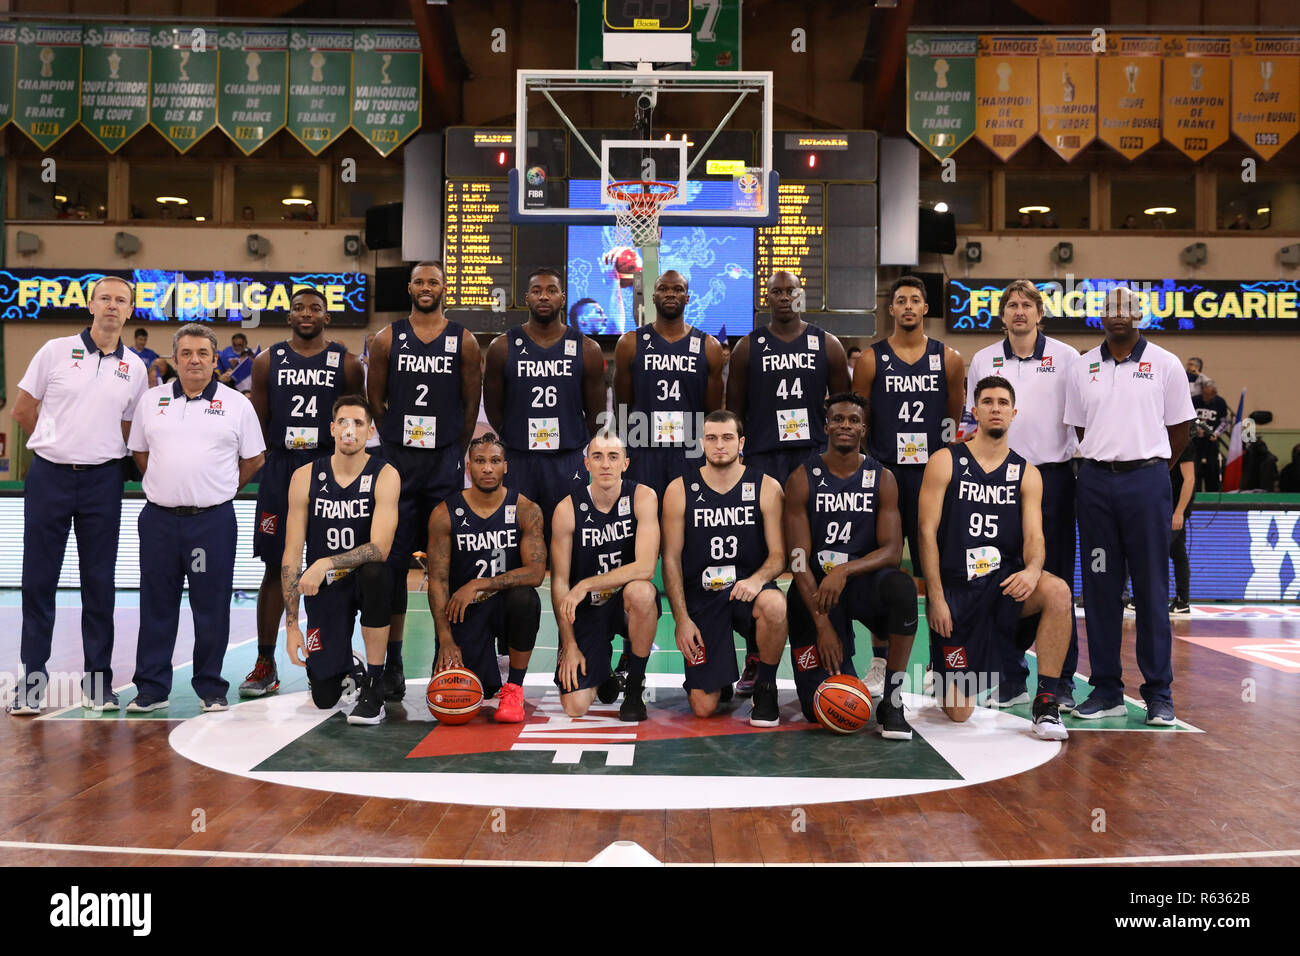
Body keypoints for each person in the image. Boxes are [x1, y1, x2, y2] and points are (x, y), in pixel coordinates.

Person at [9, 276, 149, 714]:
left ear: (129, 311)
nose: (111, 306)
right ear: (91, 305)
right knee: (38, 583)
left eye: (120, 300)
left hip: (103, 482)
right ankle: (31, 684)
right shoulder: (54, 350)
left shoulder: (137, 368)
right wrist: (58, 442)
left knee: (100, 585)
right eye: (104, 298)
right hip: (49, 477)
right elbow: (21, 410)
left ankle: (98, 685)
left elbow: (132, 429)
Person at [1064, 286, 1194, 725]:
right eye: (1111, 308)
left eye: (1128, 308)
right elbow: (1081, 428)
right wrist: (1111, 458)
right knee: (1100, 589)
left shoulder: (1166, 364)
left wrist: (1149, 464)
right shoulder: (1082, 367)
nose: (1119, 314)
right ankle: (1106, 690)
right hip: (1096, 485)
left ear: (1141, 315)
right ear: (1101, 316)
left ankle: (1159, 693)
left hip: (1147, 483)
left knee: (1151, 589)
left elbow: (1179, 430)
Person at [917, 375, 1071, 741]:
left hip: (1004, 586)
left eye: (1003, 403)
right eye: (988, 402)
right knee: (957, 714)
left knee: (1059, 591)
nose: (996, 408)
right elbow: (925, 532)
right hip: (957, 592)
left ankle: (1046, 703)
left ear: (1013, 413)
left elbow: (1035, 536)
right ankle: (948, 667)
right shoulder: (944, 461)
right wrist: (935, 599)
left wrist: (1033, 570)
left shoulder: (1027, 473)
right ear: (975, 411)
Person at [126, 324, 266, 712]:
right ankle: (152, 689)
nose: (194, 360)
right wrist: (169, 484)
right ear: (174, 359)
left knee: (211, 605)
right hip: (159, 522)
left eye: (203, 353)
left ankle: (210, 687)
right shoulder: (151, 401)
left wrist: (219, 491)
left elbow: (255, 458)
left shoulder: (237, 404)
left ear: (214, 359)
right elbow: (139, 452)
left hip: (212, 523)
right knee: (156, 604)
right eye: (186, 353)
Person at [726, 270, 849, 694]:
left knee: (809, 559)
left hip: (811, 461)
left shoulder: (825, 343)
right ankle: (756, 660)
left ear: (802, 295)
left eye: (790, 291)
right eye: (775, 292)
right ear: (768, 297)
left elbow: (843, 409)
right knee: (760, 558)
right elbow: (734, 410)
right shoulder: (749, 347)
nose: (783, 298)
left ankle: (819, 651)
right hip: (762, 459)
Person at [240, 289, 364, 698]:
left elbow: (354, 421)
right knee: (277, 567)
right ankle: (265, 661)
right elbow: (257, 423)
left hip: (330, 468)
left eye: (314, 308)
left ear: (327, 316)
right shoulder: (266, 361)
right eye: (298, 308)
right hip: (281, 467)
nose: (306, 314)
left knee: (336, 566)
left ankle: (339, 658)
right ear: (288, 315)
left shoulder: (345, 363)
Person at [964, 280, 1082, 709]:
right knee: (1001, 577)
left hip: (1052, 480)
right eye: (1011, 304)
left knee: (1055, 582)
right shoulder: (982, 359)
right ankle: (1009, 675)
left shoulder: (1068, 358)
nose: (1019, 311)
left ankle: (1062, 681)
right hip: (995, 481)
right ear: (1002, 314)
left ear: (1039, 313)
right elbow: (971, 421)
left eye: (1026, 305)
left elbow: (1081, 421)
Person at [367, 262, 482, 703]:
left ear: (444, 288)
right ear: (410, 287)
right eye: (419, 281)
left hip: (443, 465)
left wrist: (455, 451)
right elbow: (376, 397)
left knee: (447, 566)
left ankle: (446, 657)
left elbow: (471, 403)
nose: (426, 287)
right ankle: (392, 664)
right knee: (392, 567)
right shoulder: (387, 337)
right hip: (398, 462)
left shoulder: (464, 340)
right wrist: (396, 442)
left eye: (434, 281)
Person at [855, 274, 965, 698]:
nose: (907, 307)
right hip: (884, 474)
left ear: (925, 309)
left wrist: (942, 460)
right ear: (891, 309)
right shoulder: (870, 359)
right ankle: (881, 661)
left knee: (937, 567)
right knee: (882, 567)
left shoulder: (949, 358)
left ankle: (942, 662)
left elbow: (952, 420)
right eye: (900, 300)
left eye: (915, 300)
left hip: (931, 474)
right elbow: (860, 421)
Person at [783, 393, 918, 739]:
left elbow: (891, 550)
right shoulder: (802, 477)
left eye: (854, 420)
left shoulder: (882, 478)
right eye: (839, 419)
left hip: (862, 584)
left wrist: (844, 571)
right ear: (826, 425)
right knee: (823, 709)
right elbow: (798, 559)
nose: (846, 425)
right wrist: (822, 624)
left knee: (902, 588)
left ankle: (893, 698)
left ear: (864, 428)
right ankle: (836, 662)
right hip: (818, 595)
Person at [662, 410, 788, 727]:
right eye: (712, 438)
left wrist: (757, 580)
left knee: (775, 603)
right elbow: (672, 559)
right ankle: (718, 678)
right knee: (703, 708)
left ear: (741, 442)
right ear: (702, 442)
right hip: (703, 600)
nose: (720, 445)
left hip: (747, 594)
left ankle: (766, 686)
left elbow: (778, 556)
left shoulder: (767, 487)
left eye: (728, 437)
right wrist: (681, 620)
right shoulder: (679, 490)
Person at [280, 396, 399, 723]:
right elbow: (291, 555)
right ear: (331, 429)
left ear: (370, 432)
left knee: (377, 572)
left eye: (358, 423)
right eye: (343, 422)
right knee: (324, 697)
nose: (350, 430)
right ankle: (345, 664)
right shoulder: (305, 477)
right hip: (326, 590)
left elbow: (380, 548)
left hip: (362, 579)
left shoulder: (385, 474)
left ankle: (374, 682)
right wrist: (291, 626)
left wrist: (324, 563)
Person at [427, 435, 546, 723]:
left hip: (505, 606)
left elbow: (536, 573)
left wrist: (479, 584)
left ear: (506, 466)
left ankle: (514, 685)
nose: (488, 468)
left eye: (494, 461)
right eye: (480, 461)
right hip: (463, 611)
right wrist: (445, 639)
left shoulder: (525, 509)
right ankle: (491, 670)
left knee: (525, 599)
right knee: (457, 697)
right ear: (469, 467)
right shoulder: (444, 513)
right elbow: (438, 582)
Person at [484, 267, 606, 542]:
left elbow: (596, 413)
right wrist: (513, 434)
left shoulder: (587, 348)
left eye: (551, 290)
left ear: (562, 298)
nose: (543, 297)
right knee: (516, 538)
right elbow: (493, 407)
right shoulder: (502, 347)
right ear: (526, 298)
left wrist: (574, 442)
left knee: (567, 538)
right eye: (537, 291)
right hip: (519, 456)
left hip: (567, 458)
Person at [550, 432, 659, 720]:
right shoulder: (566, 510)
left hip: (625, 603)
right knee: (575, 707)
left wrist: (585, 584)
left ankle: (634, 687)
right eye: (597, 457)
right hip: (587, 610)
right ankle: (604, 672)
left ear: (626, 463)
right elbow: (559, 583)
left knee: (643, 592)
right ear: (586, 464)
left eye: (613, 457)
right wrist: (569, 644)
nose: (605, 464)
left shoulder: (643, 497)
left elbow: (646, 567)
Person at [612, 269, 725, 501]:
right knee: (643, 520)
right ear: (653, 297)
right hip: (643, 447)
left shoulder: (708, 346)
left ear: (687, 298)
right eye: (663, 289)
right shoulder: (630, 343)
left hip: (691, 450)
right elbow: (622, 405)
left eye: (678, 289)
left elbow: (712, 413)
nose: (670, 294)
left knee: (689, 523)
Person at [1169, 441, 1195, 615]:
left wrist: (1179, 512)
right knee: (1177, 553)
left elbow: (1189, 478)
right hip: (1159, 507)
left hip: (1173, 510)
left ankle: (1182, 599)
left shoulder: (1182, 442)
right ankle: (1182, 600)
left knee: (1160, 554)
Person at [1192, 378, 1231, 492]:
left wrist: (1217, 433)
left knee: (1212, 470)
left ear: (1214, 394)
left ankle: (1211, 495)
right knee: (1195, 470)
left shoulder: (1220, 402)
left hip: (1212, 441)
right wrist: (1196, 429)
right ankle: (1195, 494)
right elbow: (1188, 419)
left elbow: (1225, 421)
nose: (1205, 396)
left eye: (1208, 394)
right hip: (1196, 441)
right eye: (1203, 393)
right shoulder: (1195, 400)